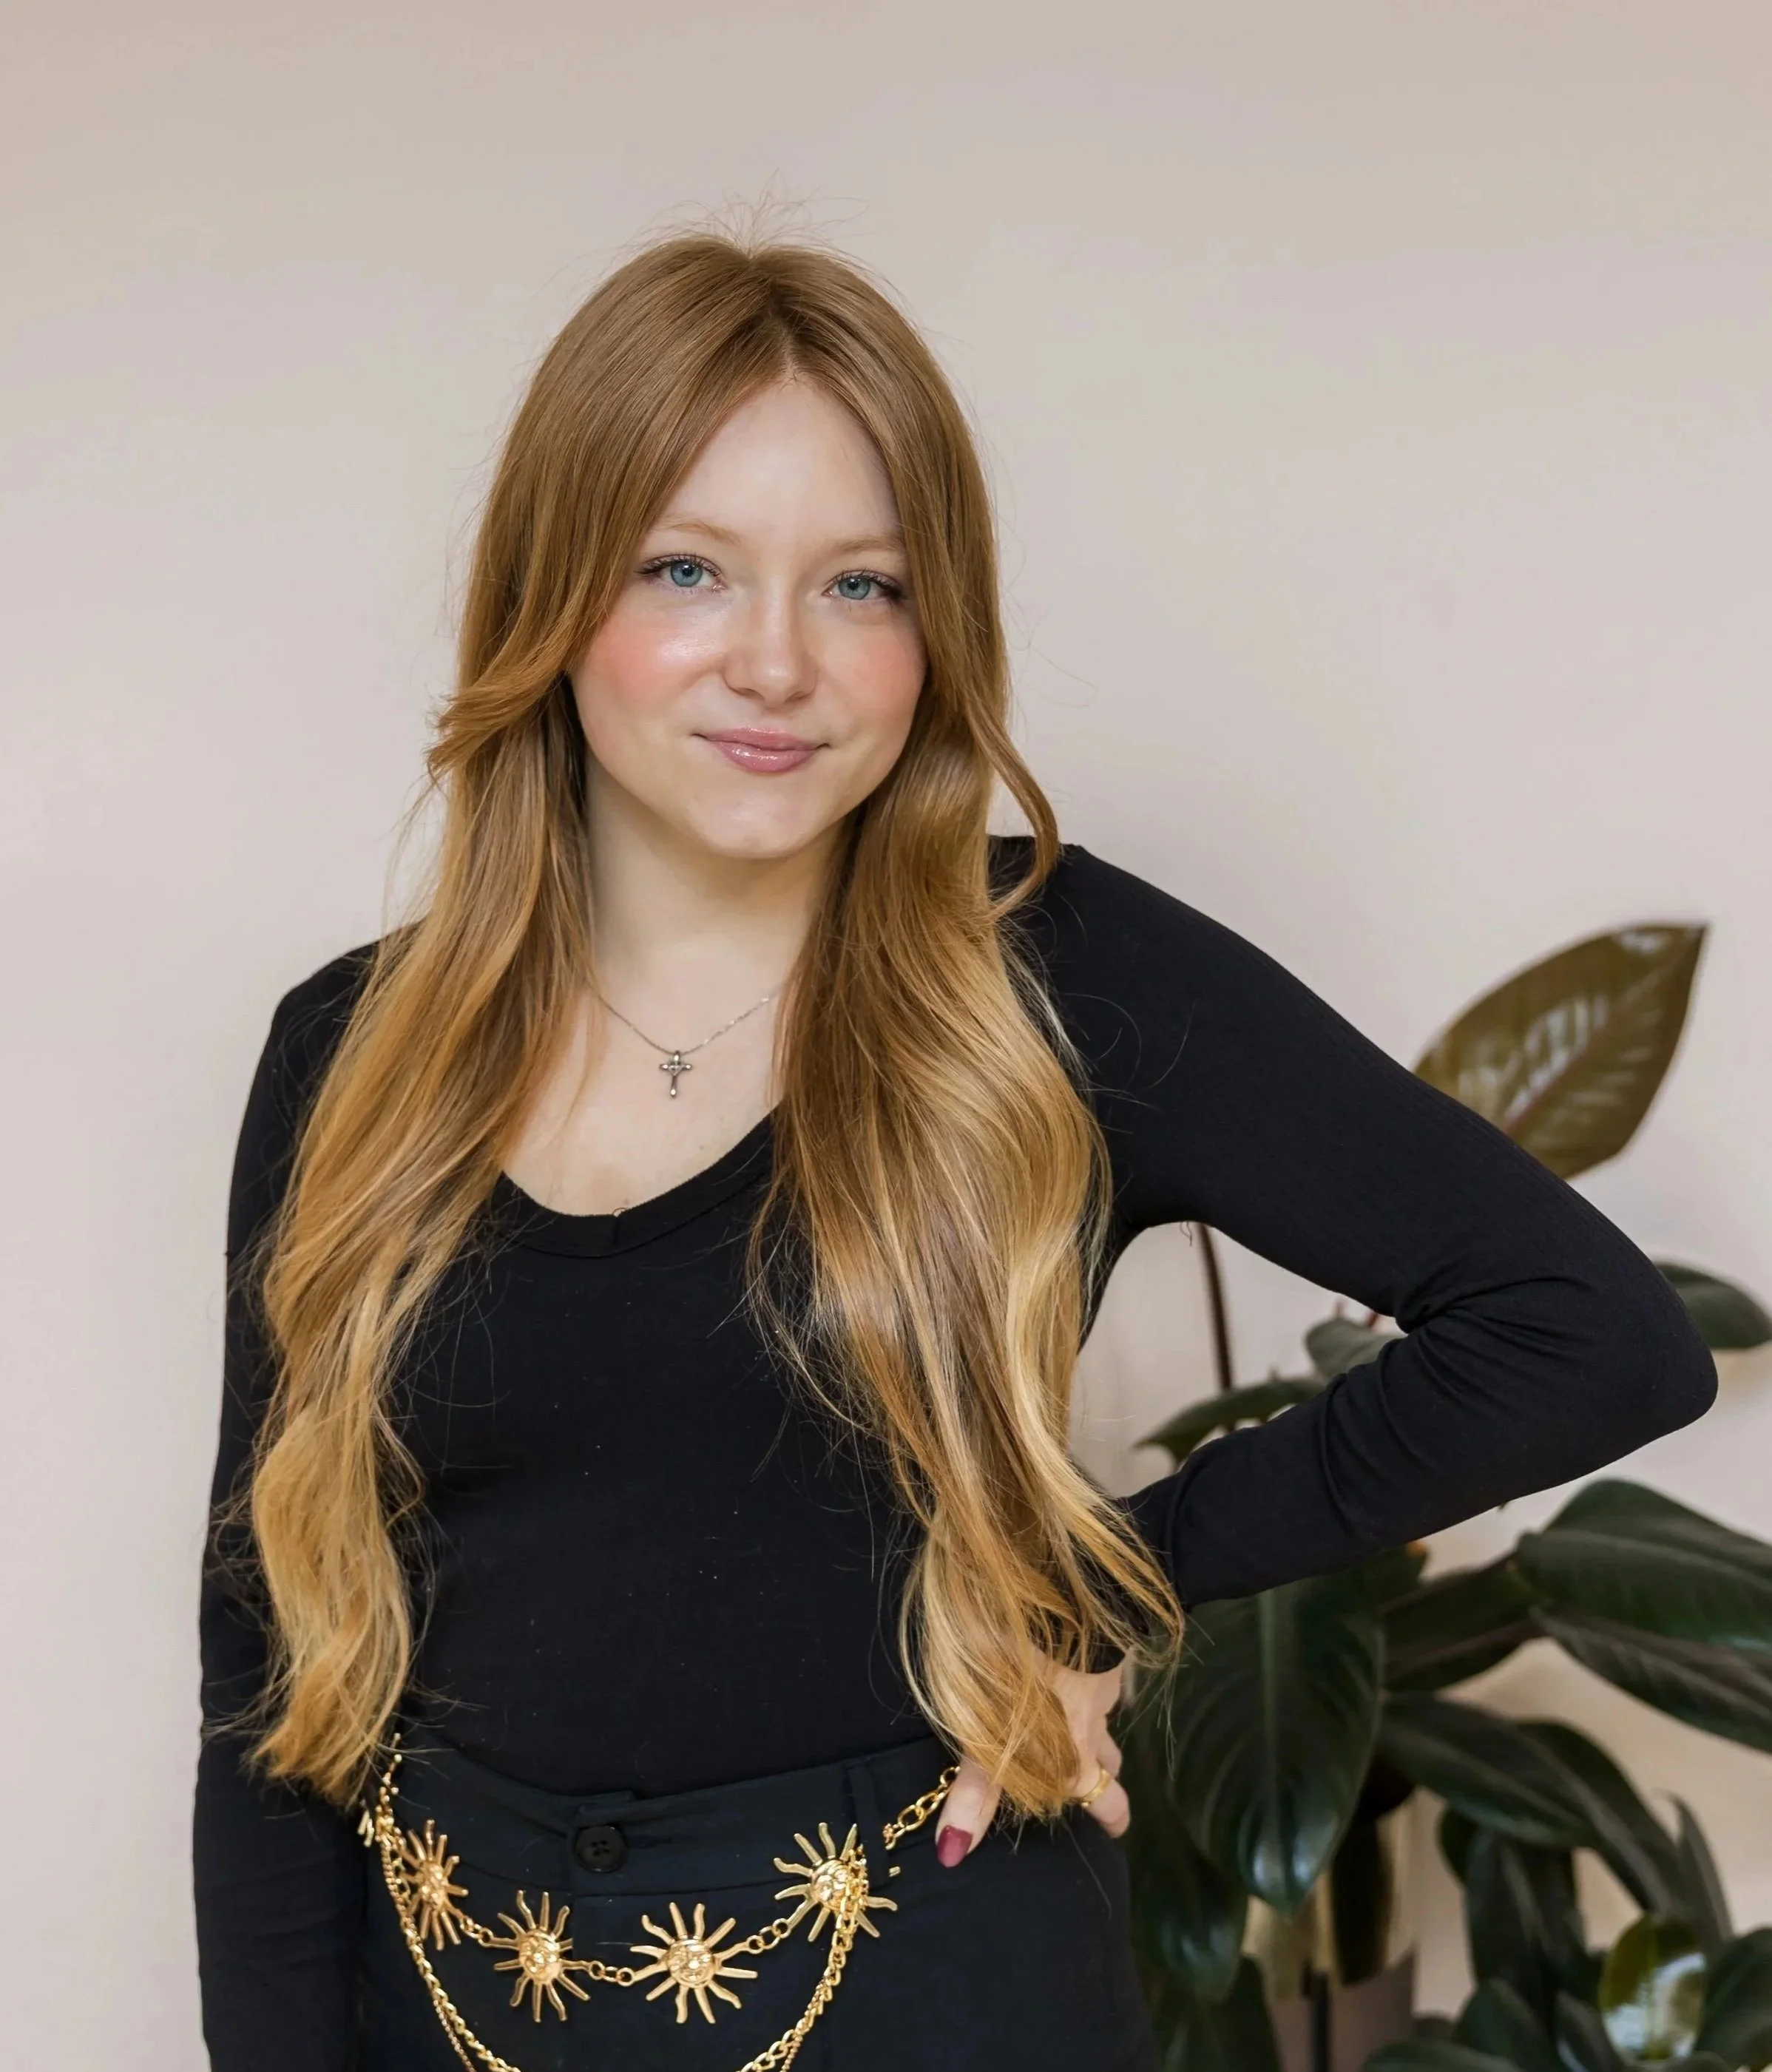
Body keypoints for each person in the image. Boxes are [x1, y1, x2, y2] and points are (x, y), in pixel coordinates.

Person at [194, 229, 1716, 2072]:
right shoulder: (350, 1050)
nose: (779, 662)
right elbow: (265, 1662)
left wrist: (1100, 1573)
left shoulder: (1052, 979)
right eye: (688, 568)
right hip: (444, 1997)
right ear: (554, 594)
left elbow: (1585, 1332)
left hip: (930, 1991)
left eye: (863, 586)